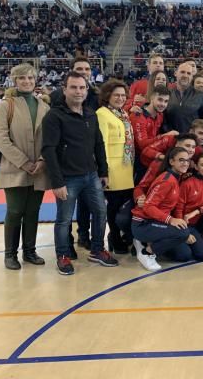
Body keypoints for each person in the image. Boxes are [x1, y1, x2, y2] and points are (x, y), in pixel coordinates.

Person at [42, 72, 118, 275]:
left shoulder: (90, 114)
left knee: (101, 212)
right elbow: (48, 150)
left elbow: (98, 144)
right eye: (74, 87)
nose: (78, 91)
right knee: (64, 219)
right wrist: (57, 182)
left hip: (91, 175)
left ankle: (97, 250)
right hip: (67, 178)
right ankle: (63, 255)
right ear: (64, 89)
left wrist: (103, 171)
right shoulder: (54, 116)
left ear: (87, 90)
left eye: (82, 88)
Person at [0, 64, 50, 270]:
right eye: (22, 78)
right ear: (15, 81)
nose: (27, 81)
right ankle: (10, 254)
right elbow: (0, 139)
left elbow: (50, 138)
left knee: (33, 211)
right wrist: (25, 162)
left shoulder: (44, 105)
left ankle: (30, 251)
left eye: (30, 78)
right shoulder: (5, 105)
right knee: (15, 210)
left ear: (36, 80)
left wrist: (43, 160)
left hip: (40, 169)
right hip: (15, 167)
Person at [131, 147, 203, 271]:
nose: (185, 163)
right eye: (181, 160)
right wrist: (170, 220)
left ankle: (148, 242)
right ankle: (147, 252)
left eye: (187, 160)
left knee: (196, 252)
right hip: (143, 224)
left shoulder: (177, 177)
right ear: (172, 161)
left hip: (157, 222)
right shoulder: (166, 180)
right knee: (182, 233)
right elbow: (148, 206)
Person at [49, 58, 99, 249]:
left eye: (87, 69)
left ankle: (84, 236)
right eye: (79, 68)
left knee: (87, 205)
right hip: (67, 162)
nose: (84, 71)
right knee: (66, 209)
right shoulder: (55, 97)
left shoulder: (96, 94)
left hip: (88, 158)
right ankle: (66, 242)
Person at [96, 79, 136, 254]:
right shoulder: (102, 114)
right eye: (116, 95)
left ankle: (122, 236)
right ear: (107, 96)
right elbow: (101, 144)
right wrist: (103, 171)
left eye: (123, 95)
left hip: (126, 169)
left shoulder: (123, 113)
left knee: (123, 206)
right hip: (112, 169)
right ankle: (114, 238)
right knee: (113, 208)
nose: (120, 98)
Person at [130, 85, 171, 180]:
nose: (163, 104)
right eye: (160, 100)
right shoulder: (138, 115)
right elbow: (143, 144)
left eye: (166, 101)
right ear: (152, 98)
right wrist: (165, 136)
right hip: (137, 162)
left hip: (151, 159)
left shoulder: (160, 115)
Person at [163, 62, 203, 134]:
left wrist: (199, 133)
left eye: (189, 73)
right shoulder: (167, 94)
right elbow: (162, 119)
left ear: (192, 77)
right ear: (175, 73)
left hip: (193, 142)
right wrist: (169, 133)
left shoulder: (201, 96)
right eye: (182, 72)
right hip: (171, 140)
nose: (185, 75)